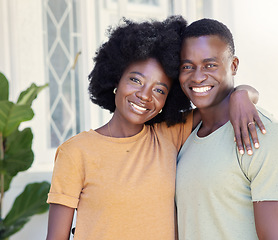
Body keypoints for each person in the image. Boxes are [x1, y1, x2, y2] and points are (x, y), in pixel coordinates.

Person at [46, 16, 263, 240]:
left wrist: (241, 95)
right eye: (136, 80)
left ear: (168, 100)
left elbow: (220, 101)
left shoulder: (169, 135)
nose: (144, 96)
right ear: (115, 80)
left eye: (159, 90)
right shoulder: (76, 152)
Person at [175, 18, 278, 240]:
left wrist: (242, 93)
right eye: (188, 66)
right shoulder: (184, 136)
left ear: (233, 65)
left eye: (210, 65)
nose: (197, 76)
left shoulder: (266, 137)